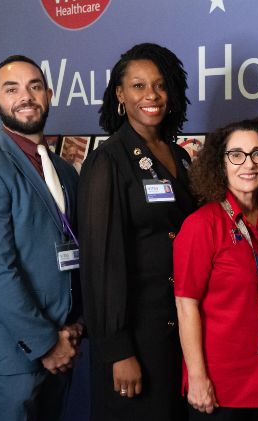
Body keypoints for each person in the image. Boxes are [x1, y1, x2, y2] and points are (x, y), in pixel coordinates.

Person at [0, 55, 82, 421]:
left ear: (49, 95)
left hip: (64, 342)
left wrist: (76, 325)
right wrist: (45, 343)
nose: (25, 97)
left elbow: (75, 251)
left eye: (34, 86)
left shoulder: (63, 170)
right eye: (12, 89)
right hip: (15, 355)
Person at [78, 43, 197, 420]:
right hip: (136, 333)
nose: (152, 96)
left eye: (160, 86)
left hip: (180, 325)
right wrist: (118, 349)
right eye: (139, 86)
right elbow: (99, 264)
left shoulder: (179, 156)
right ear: (120, 94)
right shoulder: (107, 161)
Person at [174, 117, 258, 420]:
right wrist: (198, 378)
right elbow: (186, 305)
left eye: (257, 153)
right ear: (221, 163)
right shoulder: (202, 224)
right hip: (220, 385)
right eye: (236, 155)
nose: (249, 164)